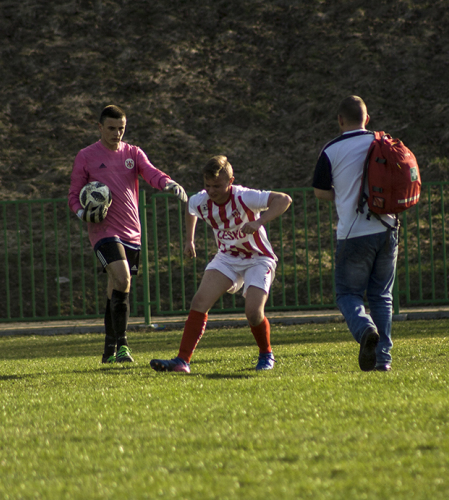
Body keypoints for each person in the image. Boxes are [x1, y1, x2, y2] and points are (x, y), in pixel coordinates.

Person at [150, 155, 292, 373]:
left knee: (253, 312)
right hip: (227, 257)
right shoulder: (202, 200)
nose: (211, 190)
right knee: (199, 301)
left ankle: (266, 354)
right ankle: (182, 361)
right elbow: (190, 207)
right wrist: (189, 239)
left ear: (230, 181)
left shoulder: (245, 197)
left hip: (258, 258)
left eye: (217, 185)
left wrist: (259, 221)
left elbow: (284, 199)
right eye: (207, 185)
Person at [68, 105, 187, 364]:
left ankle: (108, 351)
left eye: (121, 128)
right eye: (111, 128)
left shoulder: (132, 153)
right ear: (100, 127)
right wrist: (81, 212)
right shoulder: (86, 156)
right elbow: (74, 193)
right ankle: (123, 346)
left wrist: (167, 182)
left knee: (117, 288)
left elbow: (150, 172)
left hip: (132, 231)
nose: (117, 133)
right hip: (103, 232)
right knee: (122, 279)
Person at [312, 96, 398, 372]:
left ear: (340, 120)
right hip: (387, 228)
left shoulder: (331, 150)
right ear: (367, 118)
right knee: (381, 295)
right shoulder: (382, 141)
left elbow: (320, 192)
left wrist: (345, 194)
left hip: (353, 232)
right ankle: (383, 359)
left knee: (348, 293)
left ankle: (364, 330)